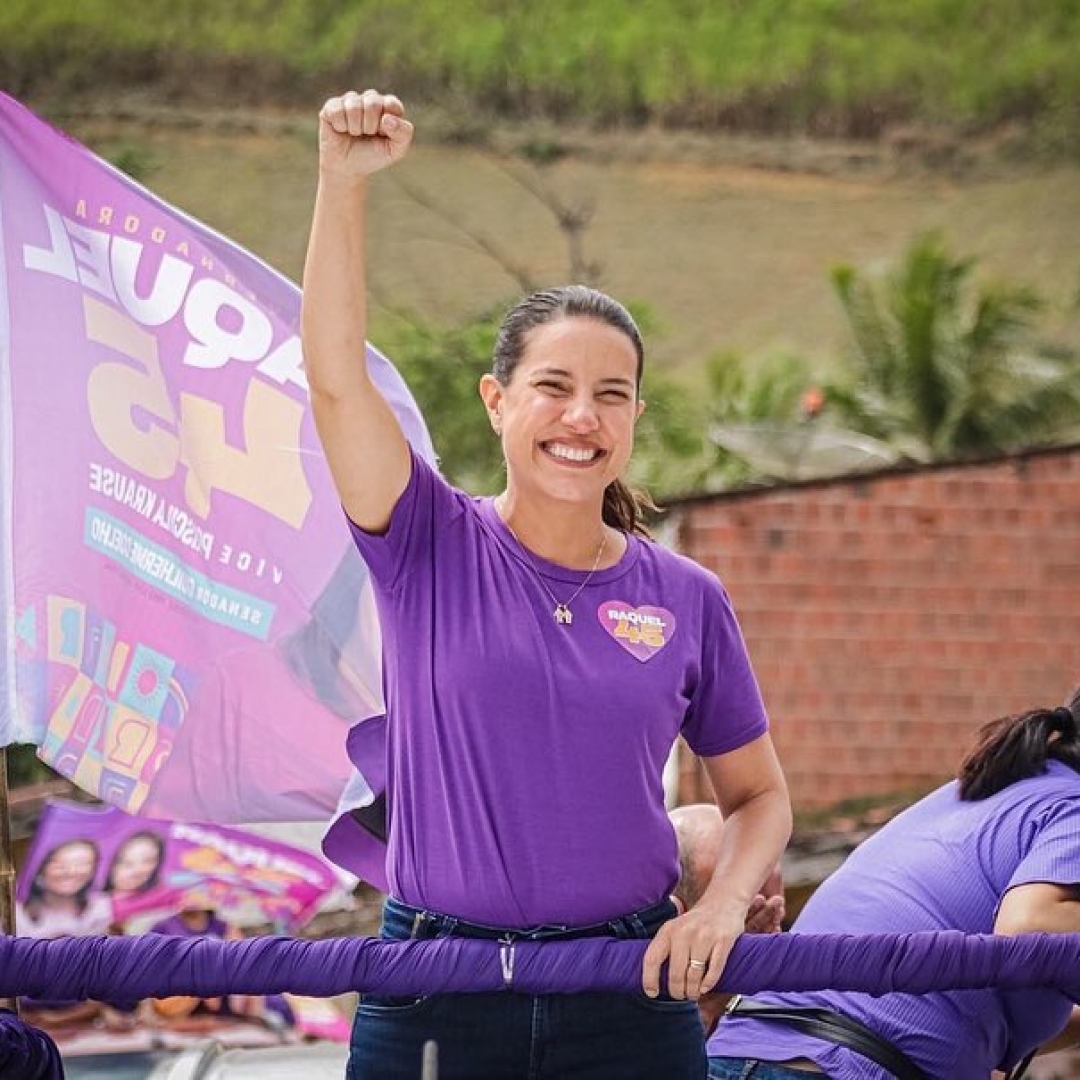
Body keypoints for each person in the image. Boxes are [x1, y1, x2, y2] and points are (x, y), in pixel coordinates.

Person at [301, 88, 792, 1080]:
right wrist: (342, 181)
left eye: (611, 395)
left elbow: (759, 797)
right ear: (496, 402)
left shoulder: (687, 596)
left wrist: (723, 904)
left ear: (636, 417)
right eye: (554, 388)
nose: (582, 417)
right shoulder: (425, 540)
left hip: (629, 990)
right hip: (435, 985)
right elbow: (336, 378)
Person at [707, 686, 1080, 1079]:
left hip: (752, 1052)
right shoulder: (1071, 806)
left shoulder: (998, 791)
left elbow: (988, 996)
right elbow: (1027, 925)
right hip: (840, 1063)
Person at [16, 838, 112, 939]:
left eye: (82, 864)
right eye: (59, 864)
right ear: (39, 868)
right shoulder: (15, 915)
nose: (71, 871)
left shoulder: (101, 907)